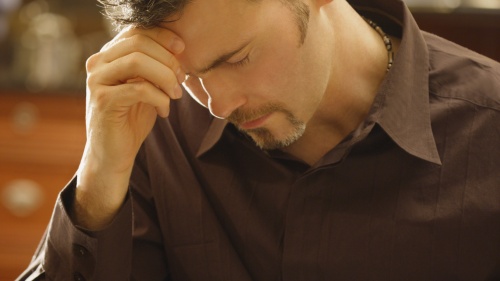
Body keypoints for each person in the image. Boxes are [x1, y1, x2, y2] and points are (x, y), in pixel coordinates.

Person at [17, 0, 500, 279]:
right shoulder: (155, 124)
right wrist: (99, 178)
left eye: (238, 58)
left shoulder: (489, 137)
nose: (218, 106)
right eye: (193, 74)